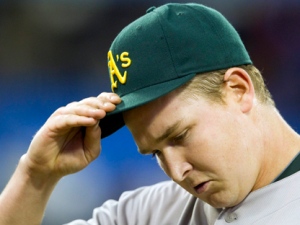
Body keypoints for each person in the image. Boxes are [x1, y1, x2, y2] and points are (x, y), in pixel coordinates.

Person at [0, 3, 299, 225]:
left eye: (180, 136)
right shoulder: (151, 212)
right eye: (155, 152)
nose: (176, 170)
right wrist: (35, 176)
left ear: (238, 89)